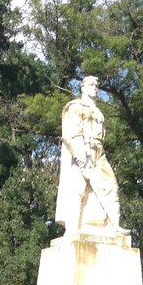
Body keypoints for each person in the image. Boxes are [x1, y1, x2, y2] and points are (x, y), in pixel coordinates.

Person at [56, 76, 122, 235]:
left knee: (111, 185)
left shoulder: (98, 111)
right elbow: (72, 133)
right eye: (91, 84)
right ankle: (73, 229)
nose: (95, 87)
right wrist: (81, 159)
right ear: (83, 88)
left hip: (98, 150)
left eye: (97, 85)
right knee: (78, 188)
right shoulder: (75, 107)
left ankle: (115, 226)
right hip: (82, 149)